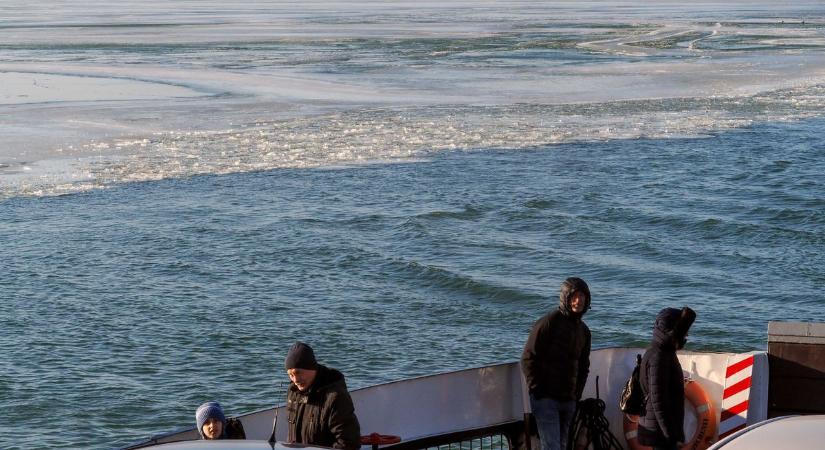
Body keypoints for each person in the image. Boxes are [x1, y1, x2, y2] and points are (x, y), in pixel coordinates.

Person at [521, 277, 592, 450]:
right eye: (574, 296)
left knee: (562, 445)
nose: (578, 301)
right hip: (546, 398)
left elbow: (583, 366)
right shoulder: (549, 322)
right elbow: (528, 357)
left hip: (568, 399)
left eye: (582, 297)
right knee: (552, 446)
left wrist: (576, 395)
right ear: (565, 298)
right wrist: (537, 390)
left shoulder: (584, 331)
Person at [638, 307, 697, 450]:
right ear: (672, 330)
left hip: (661, 430)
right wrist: (670, 434)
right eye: (684, 330)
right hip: (661, 433)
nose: (687, 334)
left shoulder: (664, 352)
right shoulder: (659, 356)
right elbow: (658, 401)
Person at [284, 341, 361, 450]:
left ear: (311, 368)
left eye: (298, 372)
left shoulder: (335, 397)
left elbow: (349, 443)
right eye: (291, 375)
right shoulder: (293, 393)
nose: (295, 380)